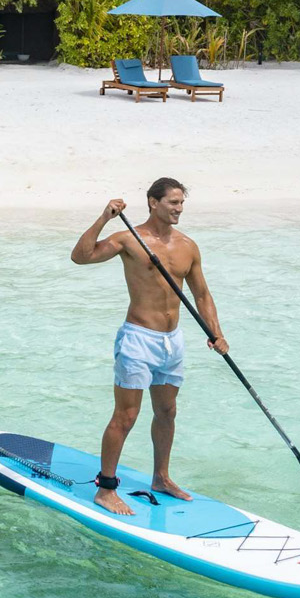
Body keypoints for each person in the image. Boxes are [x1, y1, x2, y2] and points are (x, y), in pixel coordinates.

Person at [69, 177, 227, 516]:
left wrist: (217, 333)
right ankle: (106, 488)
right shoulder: (129, 239)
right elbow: (81, 257)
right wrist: (103, 219)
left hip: (173, 342)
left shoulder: (188, 246)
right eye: (173, 202)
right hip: (138, 339)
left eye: (181, 203)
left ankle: (161, 477)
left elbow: (202, 294)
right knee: (126, 416)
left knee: (167, 412)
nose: (179, 209)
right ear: (153, 202)